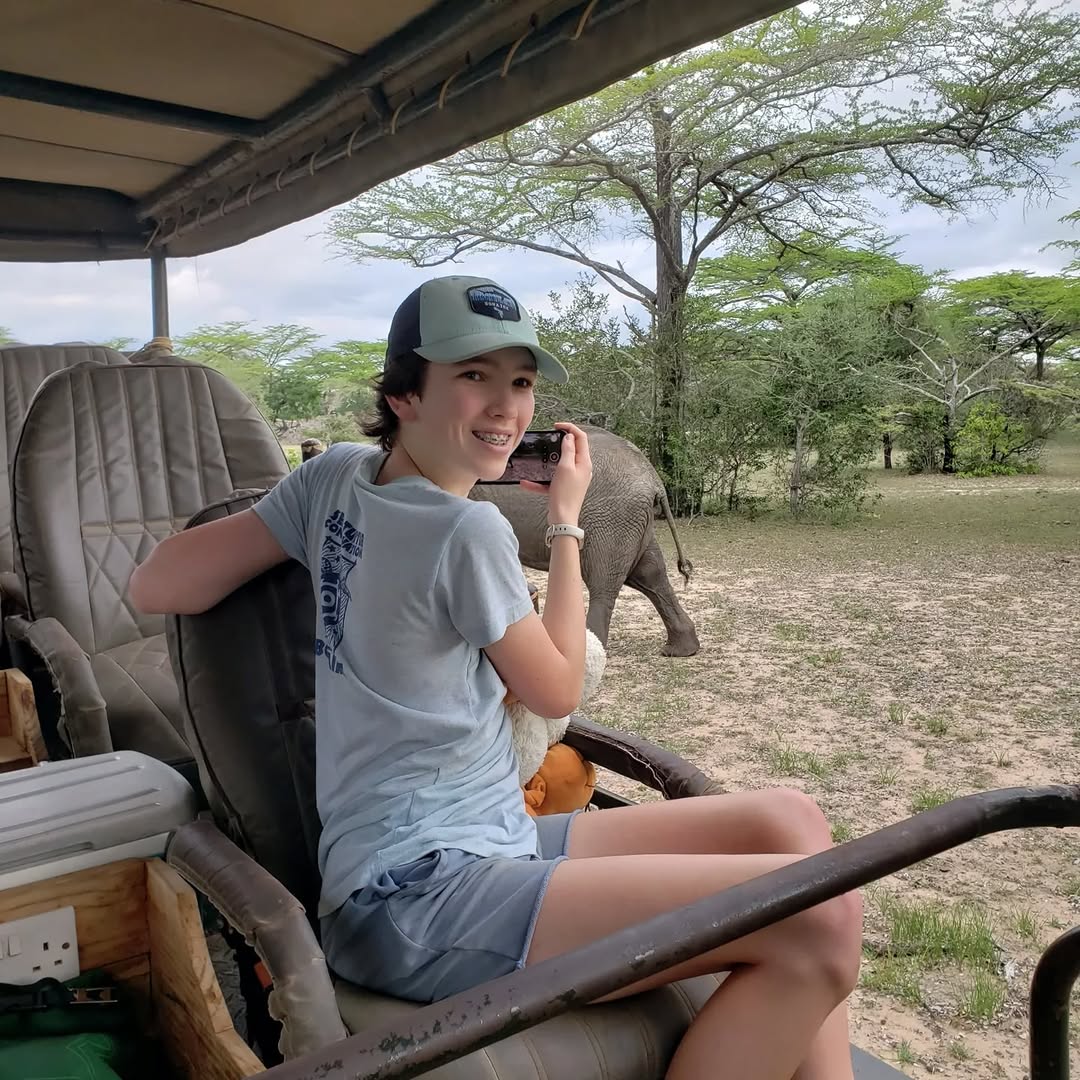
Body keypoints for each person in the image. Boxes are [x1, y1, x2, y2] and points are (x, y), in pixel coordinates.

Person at [130, 275, 862, 1080]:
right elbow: (558, 690)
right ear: (404, 392)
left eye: (520, 382)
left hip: (481, 843)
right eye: (472, 377)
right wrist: (566, 522)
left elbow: (159, 586)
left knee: (790, 823)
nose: (506, 408)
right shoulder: (468, 530)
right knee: (820, 924)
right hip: (417, 894)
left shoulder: (331, 478)